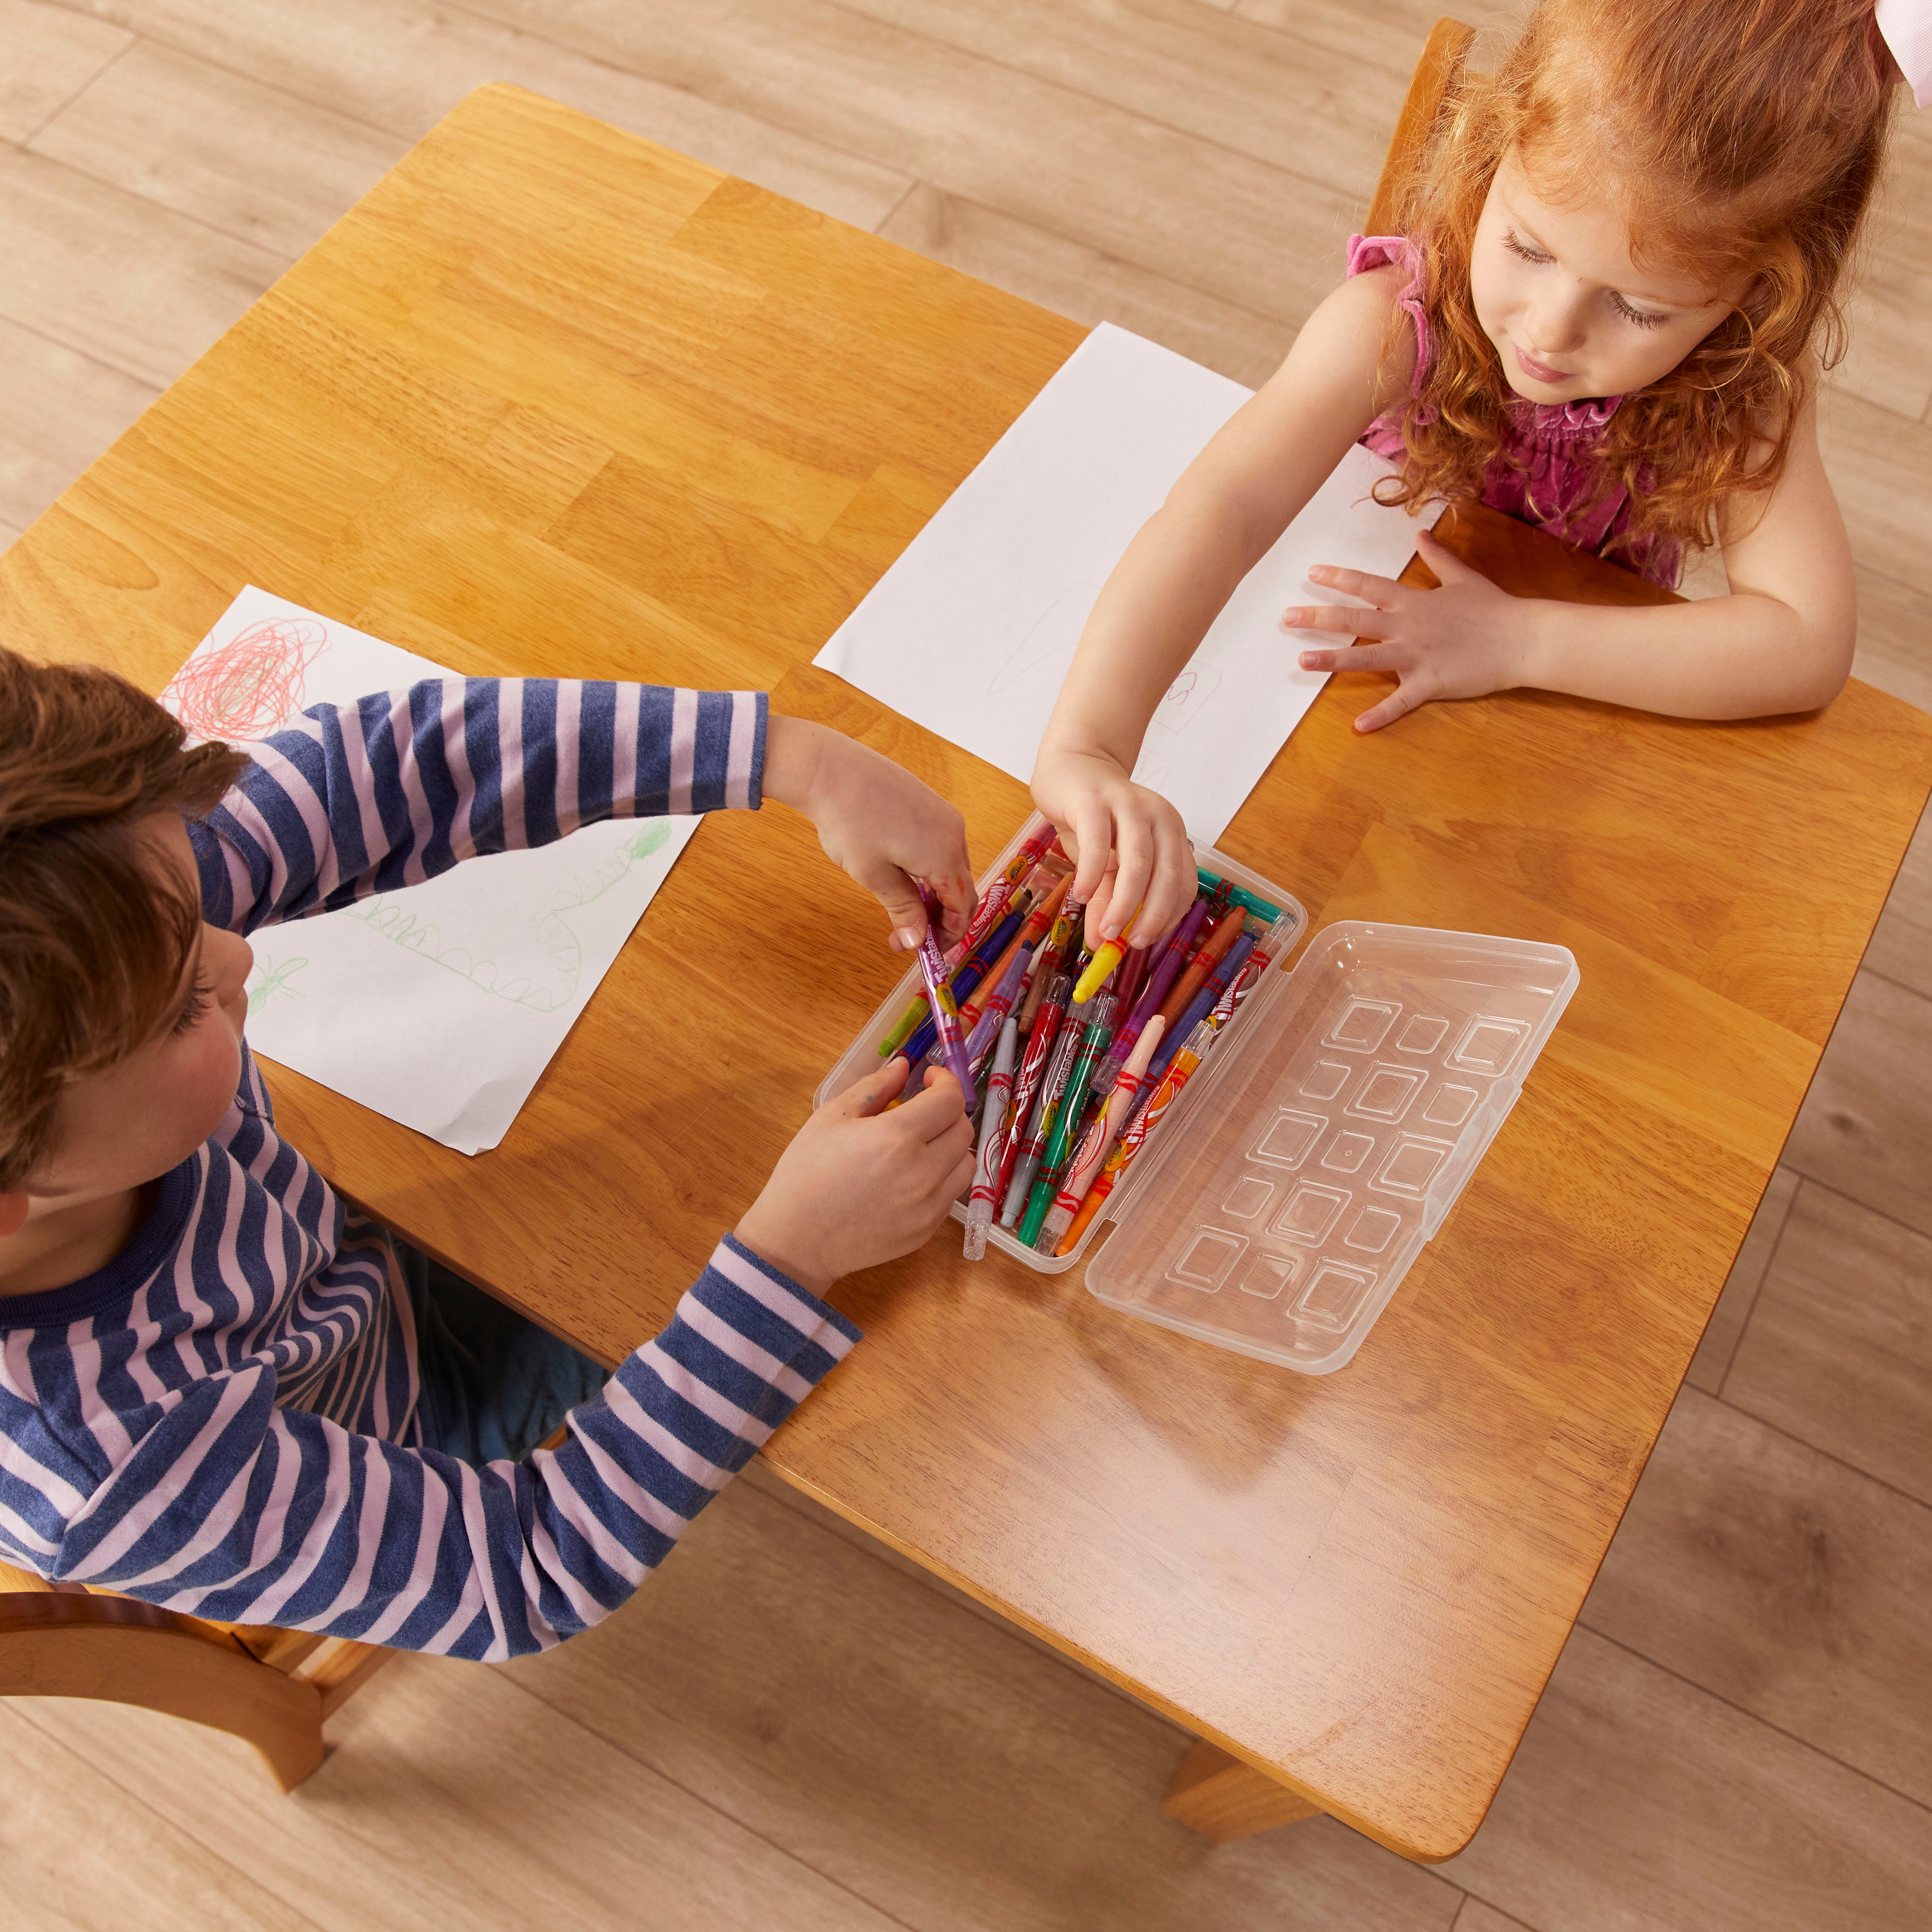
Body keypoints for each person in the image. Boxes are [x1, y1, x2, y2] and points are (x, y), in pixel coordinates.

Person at [0, 647, 978, 1656]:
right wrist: (792, 1255)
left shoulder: (98, 919)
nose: (237, 947)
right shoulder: (110, 1468)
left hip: (347, 1269)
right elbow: (532, 1563)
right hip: (414, 1417)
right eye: (182, 1009)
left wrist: (797, 760)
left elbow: (380, 771)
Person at [1031, 0, 1917, 946]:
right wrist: (1086, 743)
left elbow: (1805, 646)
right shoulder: (1387, 322)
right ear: (1486, 154)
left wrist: (1515, 643)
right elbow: (1223, 502)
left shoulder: (1742, 390)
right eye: (1527, 249)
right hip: (1340, 696)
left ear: (1754, 297)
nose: (1546, 331)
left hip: (1555, 717)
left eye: (1636, 307)